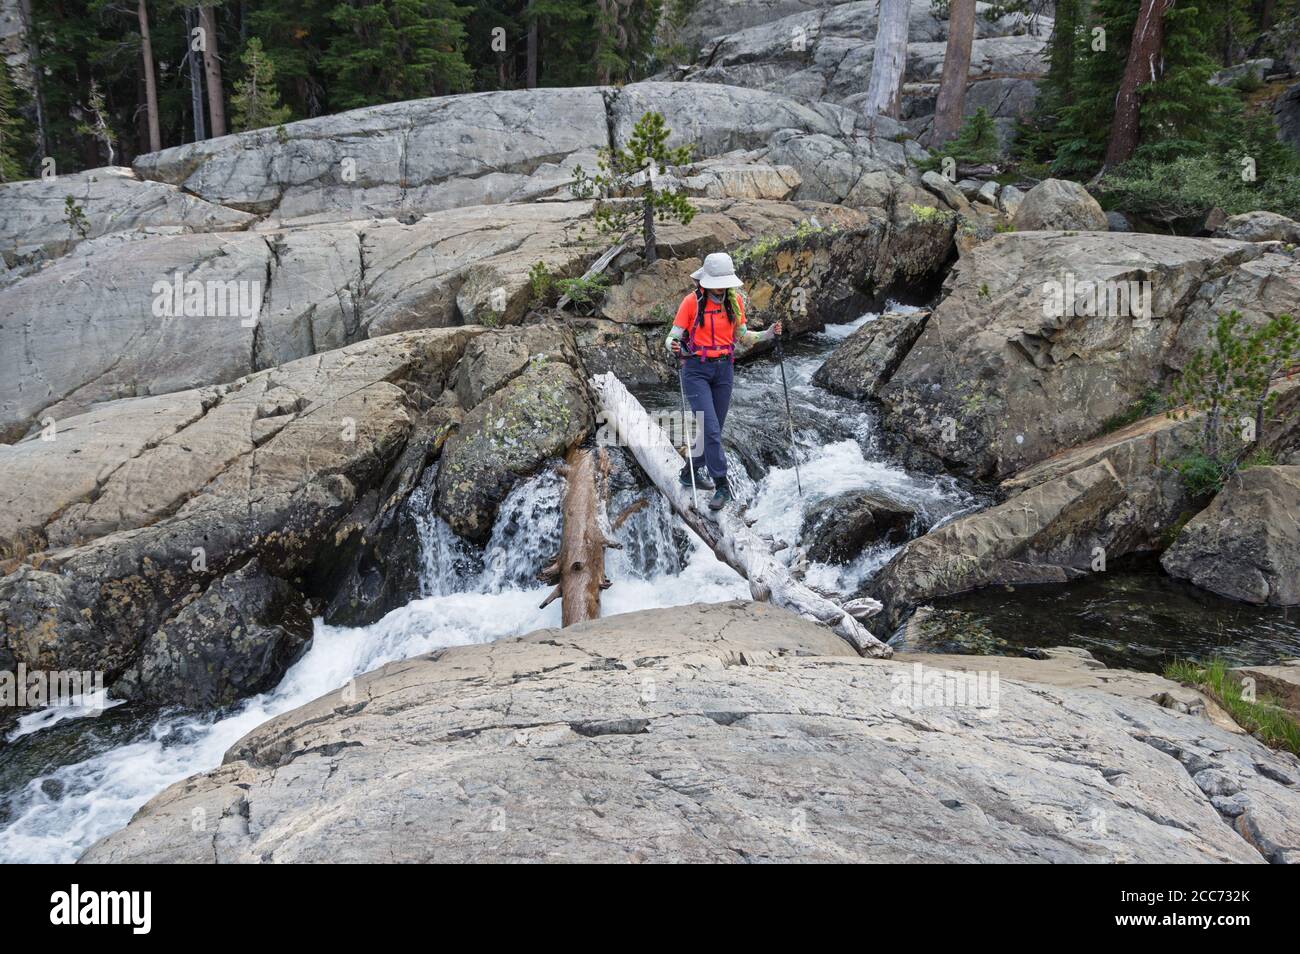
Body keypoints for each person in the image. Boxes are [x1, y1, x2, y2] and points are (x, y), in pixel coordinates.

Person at [665, 252, 782, 511]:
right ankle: (722, 485)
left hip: (724, 370)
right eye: (715, 282)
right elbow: (672, 336)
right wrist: (672, 345)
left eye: (723, 282)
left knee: (712, 429)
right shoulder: (691, 303)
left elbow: (743, 336)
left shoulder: (735, 301)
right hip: (695, 370)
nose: (719, 287)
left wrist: (768, 333)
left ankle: (690, 472)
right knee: (713, 431)